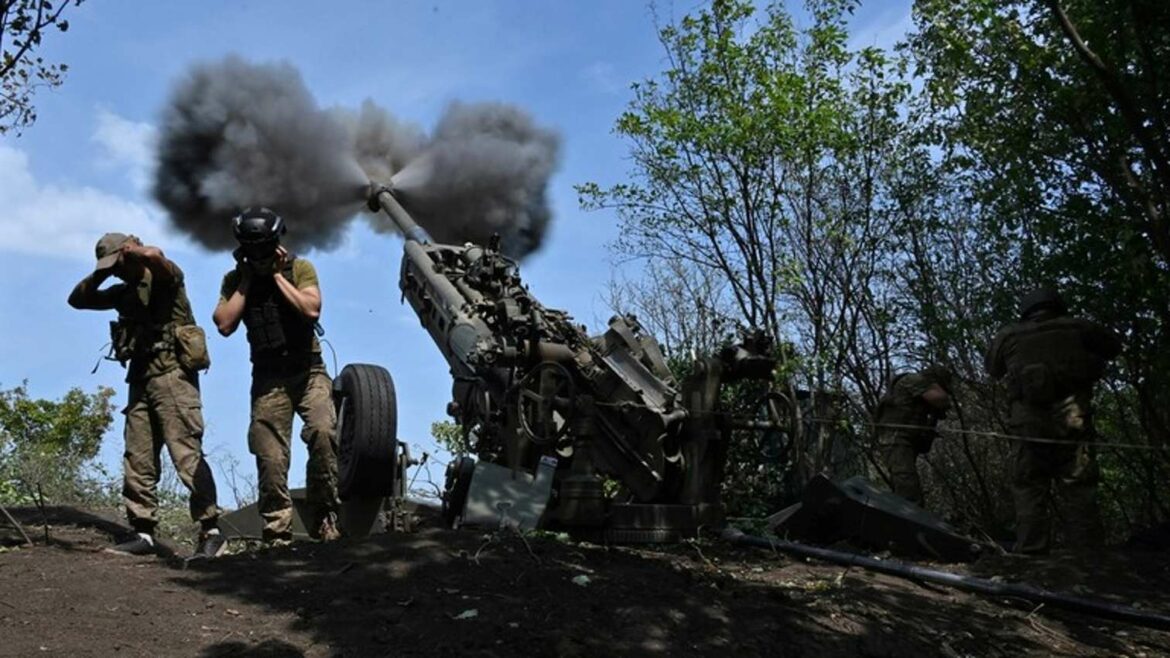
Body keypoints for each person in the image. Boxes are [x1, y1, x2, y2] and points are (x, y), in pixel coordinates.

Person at [68, 233, 224, 558]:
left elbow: (158, 258)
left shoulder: (164, 279)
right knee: (137, 457)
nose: (116, 272)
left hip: (174, 377)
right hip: (140, 378)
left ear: (130, 254)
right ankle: (143, 532)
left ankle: (211, 531)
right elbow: (78, 299)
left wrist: (137, 252)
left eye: (117, 264)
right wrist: (101, 272)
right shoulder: (121, 293)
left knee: (186, 454)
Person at [212, 208, 341, 545]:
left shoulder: (299, 268)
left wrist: (276, 276)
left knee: (325, 434)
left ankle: (324, 515)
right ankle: (277, 532)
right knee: (269, 454)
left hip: (309, 370)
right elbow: (224, 323)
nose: (258, 255)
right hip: (269, 377)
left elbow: (311, 309)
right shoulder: (234, 281)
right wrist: (249, 279)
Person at [985, 286, 1121, 554]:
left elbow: (992, 368)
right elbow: (1113, 347)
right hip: (1073, 418)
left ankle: (1032, 551)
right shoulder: (1078, 327)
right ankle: (1088, 553)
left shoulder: (1010, 334)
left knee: (1028, 484)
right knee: (1079, 485)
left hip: (1027, 421)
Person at [873, 365, 952, 506]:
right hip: (895, 437)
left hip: (903, 439)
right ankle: (910, 522)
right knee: (907, 488)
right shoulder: (914, 380)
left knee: (905, 485)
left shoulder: (922, 392)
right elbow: (941, 399)